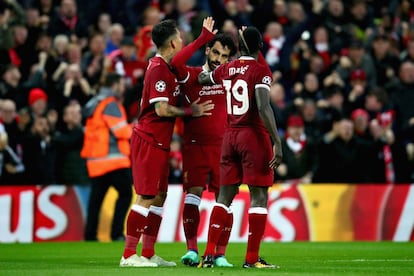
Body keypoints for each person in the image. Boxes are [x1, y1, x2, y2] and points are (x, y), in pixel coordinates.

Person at [119, 18, 215, 267]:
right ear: (172, 42)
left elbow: (181, 59)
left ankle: (148, 253)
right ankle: (129, 255)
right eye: (180, 39)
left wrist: (202, 39)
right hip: (148, 139)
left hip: (159, 141)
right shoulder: (160, 69)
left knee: (160, 196)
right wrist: (190, 111)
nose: (181, 42)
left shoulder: (166, 65)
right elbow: (161, 110)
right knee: (146, 196)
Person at [197, 26, 282, 269]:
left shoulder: (227, 68)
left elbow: (204, 78)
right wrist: (277, 141)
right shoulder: (260, 70)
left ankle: (208, 256)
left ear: (238, 48)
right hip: (252, 135)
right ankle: (251, 259)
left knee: (224, 197)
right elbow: (264, 107)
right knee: (259, 196)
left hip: (229, 136)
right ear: (259, 48)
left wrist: (208, 69)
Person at [172, 33, 236, 267]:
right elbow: (175, 63)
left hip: (224, 149)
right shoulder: (190, 74)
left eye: (225, 56)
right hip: (195, 146)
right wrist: (201, 39)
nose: (220, 59)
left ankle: (220, 254)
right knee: (193, 194)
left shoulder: (228, 78)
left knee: (224, 201)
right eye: (216, 52)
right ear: (208, 51)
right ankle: (191, 250)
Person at [80, 73, 132, 241]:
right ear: (115, 85)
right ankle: (116, 233)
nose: (123, 88)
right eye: (121, 85)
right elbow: (121, 131)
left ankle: (90, 235)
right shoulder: (111, 104)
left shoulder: (95, 103)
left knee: (96, 200)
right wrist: (137, 128)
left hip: (95, 162)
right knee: (125, 194)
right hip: (114, 160)